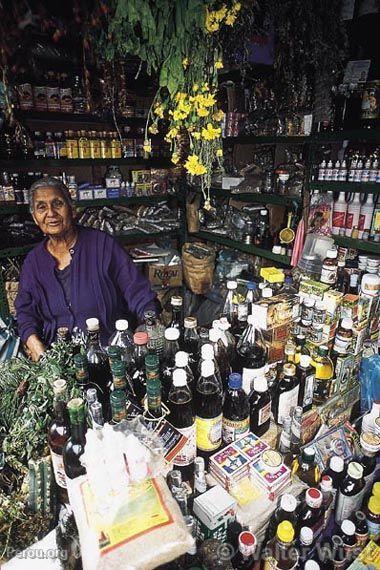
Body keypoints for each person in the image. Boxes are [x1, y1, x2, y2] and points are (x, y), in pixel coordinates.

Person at [15, 177, 159, 361]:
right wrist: (34, 344)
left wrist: (151, 322)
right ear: (35, 217)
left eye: (57, 204)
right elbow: (25, 311)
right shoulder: (33, 262)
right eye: (41, 207)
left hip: (110, 351)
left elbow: (136, 290)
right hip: (58, 357)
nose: (51, 213)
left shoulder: (102, 245)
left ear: (72, 209)